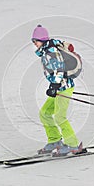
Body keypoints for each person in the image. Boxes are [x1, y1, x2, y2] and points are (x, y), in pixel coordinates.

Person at [31, 24, 82, 156]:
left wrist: (54, 86)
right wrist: (54, 86)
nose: (34, 43)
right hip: (59, 87)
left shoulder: (51, 51)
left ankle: (73, 145)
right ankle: (55, 141)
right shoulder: (46, 51)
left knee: (60, 116)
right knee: (45, 113)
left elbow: (60, 69)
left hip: (64, 88)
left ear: (41, 40)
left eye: (35, 40)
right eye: (33, 41)